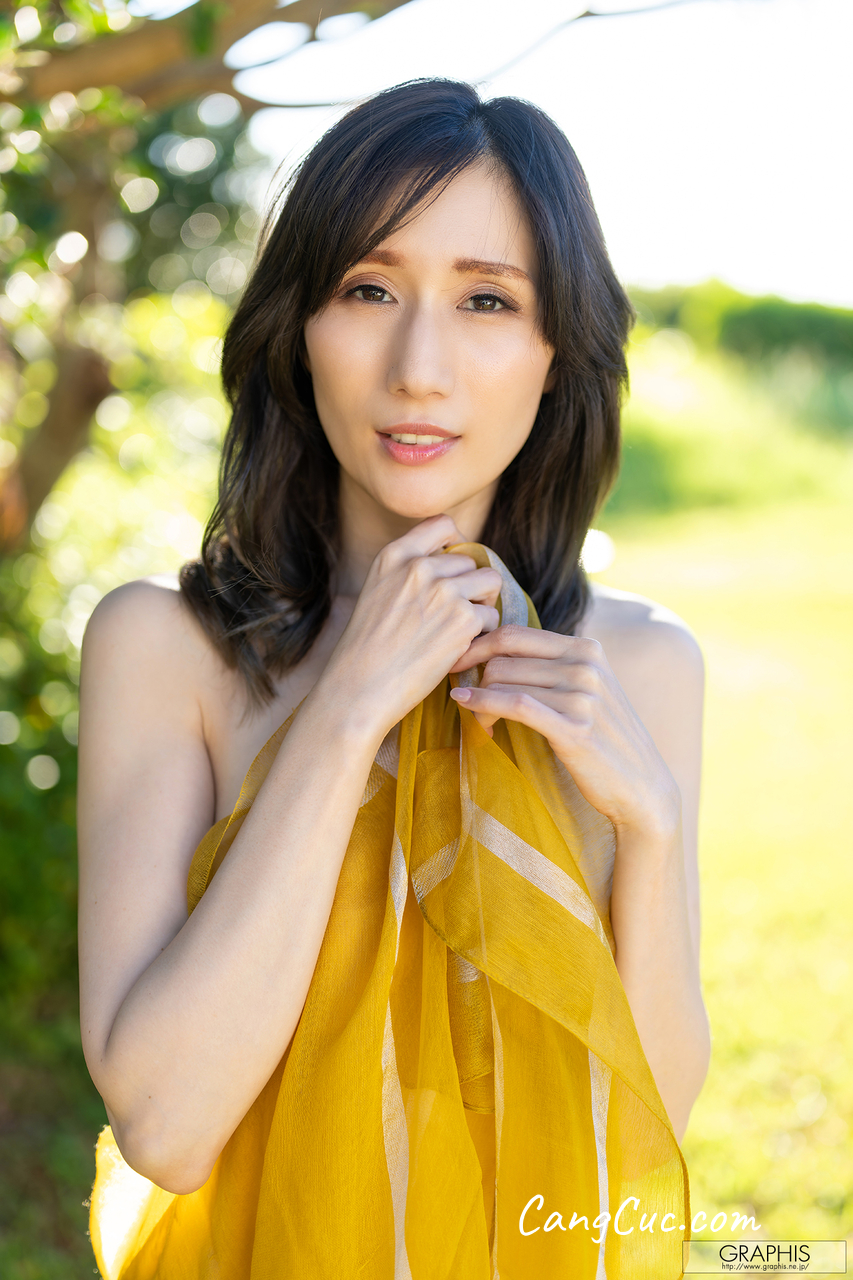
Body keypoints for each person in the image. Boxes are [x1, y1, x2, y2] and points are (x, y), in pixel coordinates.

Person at [78, 78, 710, 1279]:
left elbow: (642, 1128)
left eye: (487, 299)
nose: (420, 368)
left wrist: (652, 830)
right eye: (368, 290)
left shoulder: (635, 667)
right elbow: (165, 1126)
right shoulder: (166, 647)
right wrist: (346, 708)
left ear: (553, 351)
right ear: (297, 326)